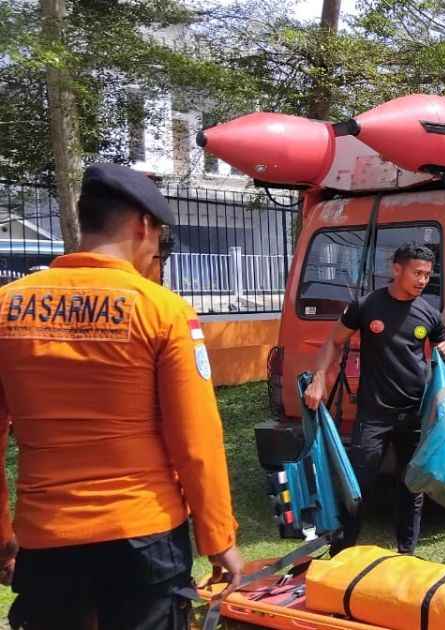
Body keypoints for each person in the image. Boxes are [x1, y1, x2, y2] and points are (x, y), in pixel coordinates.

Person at [0, 163, 243, 630]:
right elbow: (196, 440)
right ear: (143, 226)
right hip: (142, 536)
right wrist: (218, 537)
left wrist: (2, 537)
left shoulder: (7, 307)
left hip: (47, 538)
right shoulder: (163, 311)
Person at [304, 243, 445, 556]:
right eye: (417, 273)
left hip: (414, 413)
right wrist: (319, 377)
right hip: (374, 413)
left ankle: (407, 553)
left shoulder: (429, 314)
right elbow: (334, 342)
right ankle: (342, 554)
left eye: (428, 275)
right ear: (396, 269)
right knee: (357, 485)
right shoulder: (366, 306)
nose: (422, 280)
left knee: (412, 486)